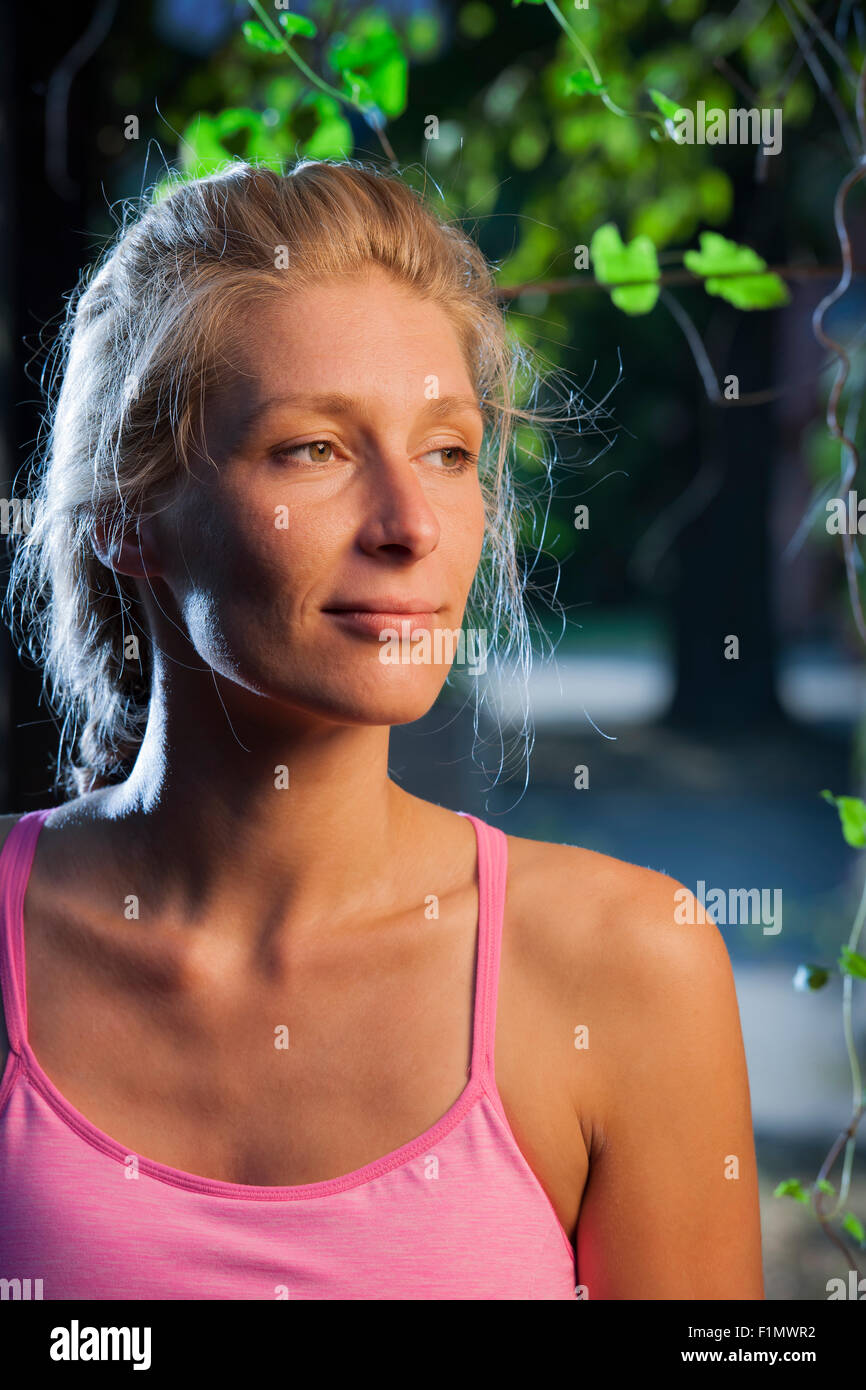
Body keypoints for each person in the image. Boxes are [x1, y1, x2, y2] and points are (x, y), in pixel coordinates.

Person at [0, 159, 763, 1300]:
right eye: (314, 448)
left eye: (447, 451)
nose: (411, 525)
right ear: (126, 514)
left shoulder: (630, 967)